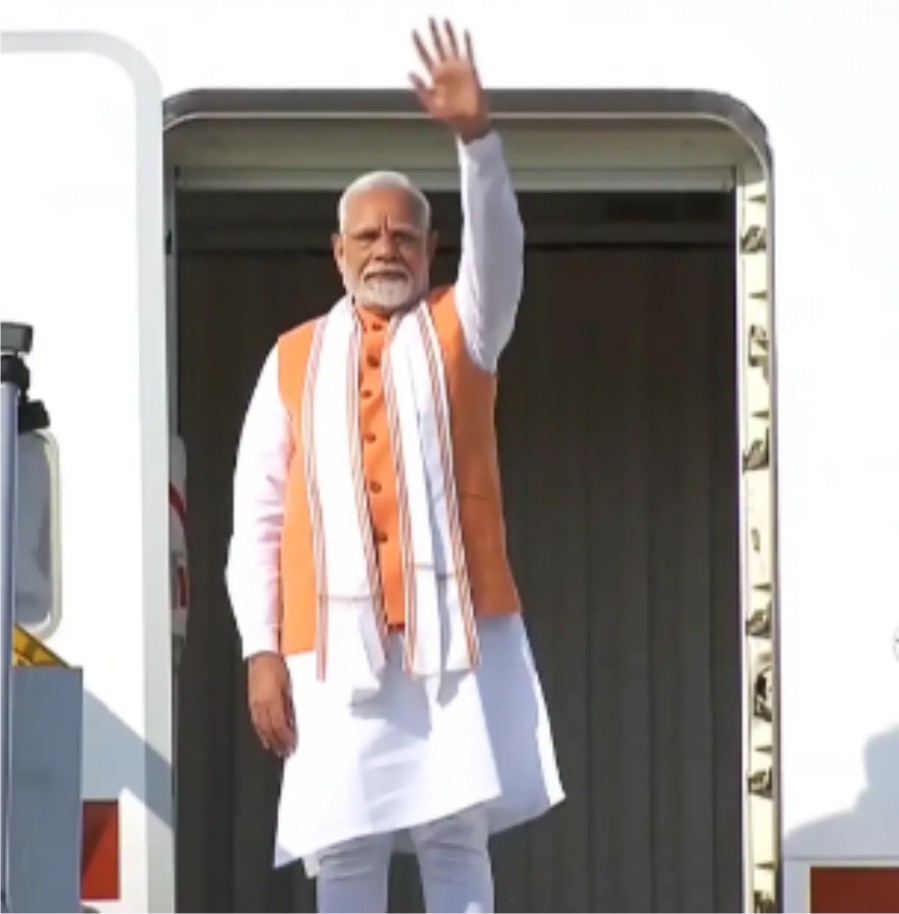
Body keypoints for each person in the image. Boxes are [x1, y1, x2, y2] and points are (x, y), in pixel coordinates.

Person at [225, 19, 564, 914]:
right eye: (368, 236)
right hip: (332, 650)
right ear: (338, 252)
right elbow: (257, 516)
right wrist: (261, 650)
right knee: (343, 849)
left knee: (454, 840)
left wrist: (476, 141)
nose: (386, 249)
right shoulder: (293, 356)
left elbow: (500, 251)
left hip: (450, 639)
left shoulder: (465, 328)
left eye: (403, 236)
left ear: (430, 249)